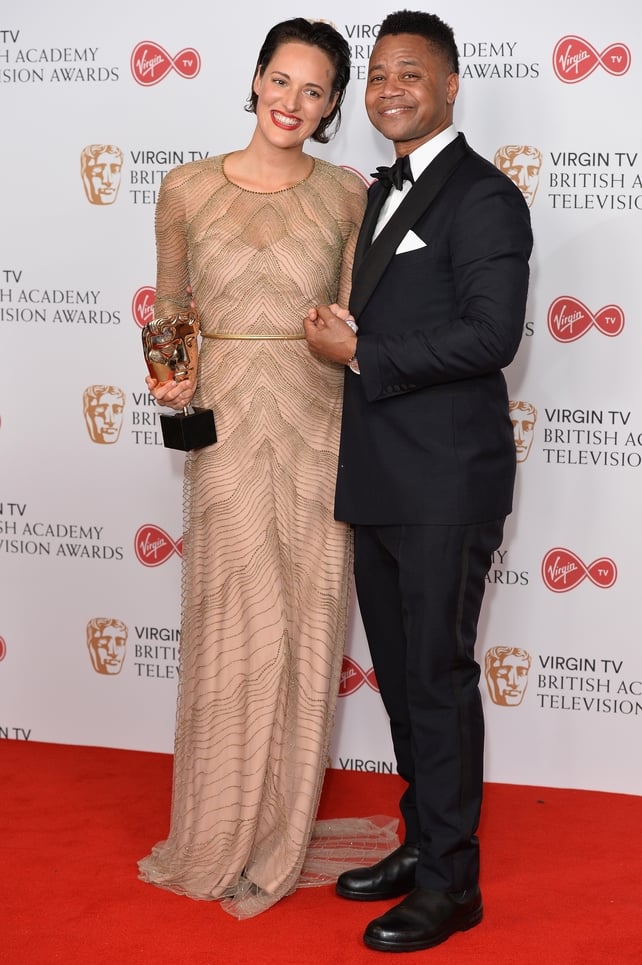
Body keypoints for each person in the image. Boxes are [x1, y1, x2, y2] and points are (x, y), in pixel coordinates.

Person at [138, 18, 396, 919]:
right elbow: (172, 306)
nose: (292, 101)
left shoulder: (346, 195)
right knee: (229, 618)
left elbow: (358, 316)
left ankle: (280, 833)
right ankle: (218, 826)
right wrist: (171, 375)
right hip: (223, 427)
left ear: (331, 107)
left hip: (319, 422)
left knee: (303, 623)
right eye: (281, 80)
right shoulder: (185, 187)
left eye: (314, 90)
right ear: (255, 80)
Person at [304, 9, 533, 953]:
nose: (390, 89)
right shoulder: (378, 193)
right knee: (402, 683)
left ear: (448, 86)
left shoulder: (483, 196)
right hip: (380, 477)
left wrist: (363, 352)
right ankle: (424, 839)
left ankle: (452, 883)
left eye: (410, 73)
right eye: (379, 75)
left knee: (436, 679)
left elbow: (491, 333)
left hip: (446, 484)